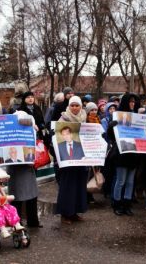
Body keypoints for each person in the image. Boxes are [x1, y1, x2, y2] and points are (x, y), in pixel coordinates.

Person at [55, 96, 88, 224]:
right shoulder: (62, 119)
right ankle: (65, 214)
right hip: (67, 159)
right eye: (72, 105)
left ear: (81, 107)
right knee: (67, 186)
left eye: (77, 105)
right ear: (68, 106)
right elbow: (57, 136)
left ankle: (74, 212)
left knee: (79, 185)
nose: (75, 108)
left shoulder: (84, 119)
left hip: (80, 158)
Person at [111, 93, 141, 216]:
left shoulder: (137, 117)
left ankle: (127, 204)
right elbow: (111, 136)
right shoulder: (117, 116)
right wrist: (110, 128)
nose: (132, 104)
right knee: (121, 181)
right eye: (130, 101)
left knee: (130, 182)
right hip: (122, 153)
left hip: (133, 153)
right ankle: (117, 204)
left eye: (134, 102)